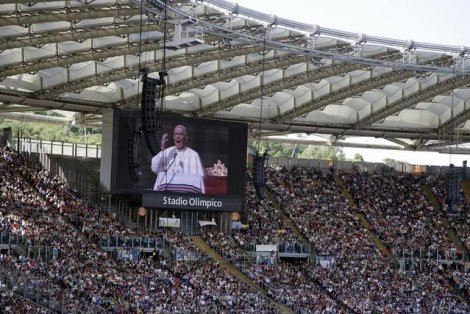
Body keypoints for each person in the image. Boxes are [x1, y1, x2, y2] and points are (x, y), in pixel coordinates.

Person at [151, 125, 205, 193]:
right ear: (173, 137)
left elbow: (199, 179)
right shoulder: (167, 152)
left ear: (186, 138)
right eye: (176, 134)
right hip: (167, 195)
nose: (178, 136)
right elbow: (154, 168)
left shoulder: (193, 155)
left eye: (180, 134)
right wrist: (162, 150)